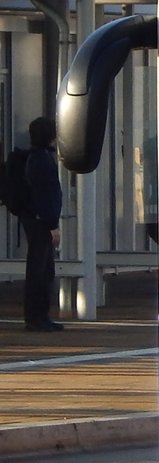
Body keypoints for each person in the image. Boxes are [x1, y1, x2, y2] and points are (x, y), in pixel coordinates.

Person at [22, 116, 64, 331]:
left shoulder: (36, 158)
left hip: (37, 221)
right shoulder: (42, 160)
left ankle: (39, 316)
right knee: (41, 271)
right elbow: (46, 195)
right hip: (42, 222)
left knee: (41, 269)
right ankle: (37, 317)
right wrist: (52, 224)